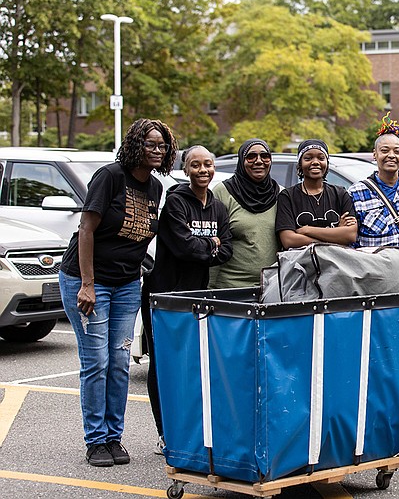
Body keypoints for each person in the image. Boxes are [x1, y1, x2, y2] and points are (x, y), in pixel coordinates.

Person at [59, 118, 177, 467]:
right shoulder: (110, 177)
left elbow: (143, 238)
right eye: (151, 144)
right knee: (97, 363)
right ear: (135, 145)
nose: (157, 151)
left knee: (120, 364)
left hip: (126, 285)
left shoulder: (155, 188)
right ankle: (95, 440)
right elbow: (86, 229)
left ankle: (114, 437)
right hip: (87, 283)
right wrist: (88, 283)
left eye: (163, 146)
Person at [144, 146, 233, 453]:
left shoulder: (218, 207)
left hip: (197, 296)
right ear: (186, 170)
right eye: (196, 165)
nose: (203, 170)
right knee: (164, 365)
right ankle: (165, 432)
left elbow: (228, 250)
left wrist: (204, 247)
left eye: (208, 164)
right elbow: (182, 247)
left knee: (194, 364)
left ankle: (192, 430)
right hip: (165, 296)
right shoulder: (175, 204)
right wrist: (210, 243)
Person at [348, 114, 399, 447]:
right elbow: (350, 243)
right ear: (374, 155)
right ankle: (375, 423)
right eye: (385, 150)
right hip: (376, 292)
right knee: (375, 358)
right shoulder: (355, 193)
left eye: (396, 150)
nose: (391, 156)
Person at [208, 139, 280, 288]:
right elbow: (213, 243)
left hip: (271, 287)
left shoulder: (279, 193)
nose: (259, 161)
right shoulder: (223, 192)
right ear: (241, 160)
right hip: (231, 288)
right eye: (251, 156)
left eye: (265, 156)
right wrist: (209, 289)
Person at [275, 139, 357, 248]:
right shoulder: (287, 196)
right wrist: (336, 233)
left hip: (336, 262)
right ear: (300, 163)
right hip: (300, 263)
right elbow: (289, 240)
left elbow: (350, 235)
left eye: (321, 158)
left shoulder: (340, 194)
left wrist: (307, 230)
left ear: (327, 162)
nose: (315, 162)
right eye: (308, 158)